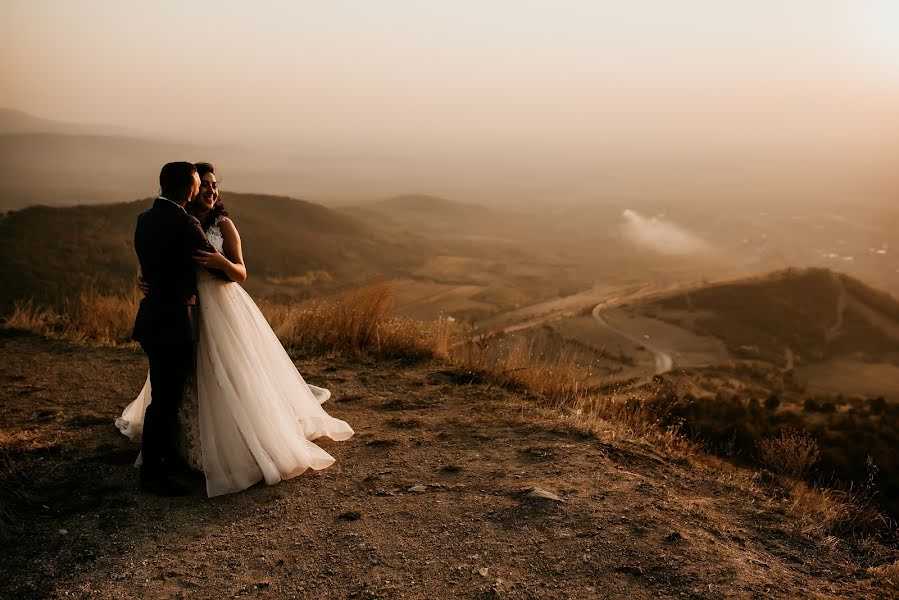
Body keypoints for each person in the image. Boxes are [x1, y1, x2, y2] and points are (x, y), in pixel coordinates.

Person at [118, 162, 354, 497]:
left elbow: (239, 272)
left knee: (219, 376)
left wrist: (220, 264)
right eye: (205, 186)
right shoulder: (182, 223)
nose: (212, 191)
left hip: (216, 309)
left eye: (215, 186)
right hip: (182, 314)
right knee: (177, 388)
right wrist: (143, 274)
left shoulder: (218, 225)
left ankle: (220, 445)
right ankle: (174, 452)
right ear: (190, 190)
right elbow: (158, 257)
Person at [130, 162, 216, 496]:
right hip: (174, 324)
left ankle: (161, 462)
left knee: (162, 396)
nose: (199, 189)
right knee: (165, 400)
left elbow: (148, 264)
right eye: (197, 184)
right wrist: (233, 267)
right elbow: (211, 263)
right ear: (189, 189)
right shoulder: (185, 223)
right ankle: (154, 473)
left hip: (151, 319)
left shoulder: (144, 220)